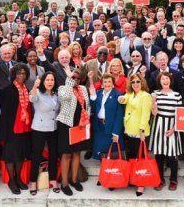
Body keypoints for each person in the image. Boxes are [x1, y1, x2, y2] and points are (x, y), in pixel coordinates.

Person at [0, 64, 32, 195]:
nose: (21, 75)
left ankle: (18, 178)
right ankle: (11, 180)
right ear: (14, 75)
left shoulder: (26, 89)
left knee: (21, 154)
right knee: (10, 156)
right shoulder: (9, 88)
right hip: (11, 128)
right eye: (19, 73)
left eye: (23, 73)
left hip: (25, 127)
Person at [56, 68, 91, 196]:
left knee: (77, 153)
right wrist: (69, 80)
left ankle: (75, 180)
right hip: (66, 125)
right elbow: (64, 97)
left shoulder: (83, 89)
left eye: (78, 78)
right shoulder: (63, 88)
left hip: (80, 125)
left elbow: (87, 105)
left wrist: (86, 120)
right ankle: (65, 183)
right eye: (73, 77)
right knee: (66, 154)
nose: (76, 80)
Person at [118, 73, 152, 196]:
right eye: (133, 82)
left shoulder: (146, 96)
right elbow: (123, 99)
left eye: (138, 81)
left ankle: (141, 184)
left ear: (142, 82)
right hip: (129, 130)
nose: (136, 84)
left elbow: (146, 114)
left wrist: (142, 130)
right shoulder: (130, 94)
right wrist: (120, 98)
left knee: (141, 159)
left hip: (140, 131)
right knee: (132, 157)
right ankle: (133, 178)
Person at [28, 72, 60, 194]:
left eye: (52, 80)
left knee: (53, 155)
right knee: (36, 156)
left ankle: (53, 180)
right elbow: (32, 98)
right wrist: (35, 86)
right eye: (47, 80)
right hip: (39, 128)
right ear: (43, 81)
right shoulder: (38, 94)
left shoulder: (56, 95)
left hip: (53, 128)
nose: (50, 82)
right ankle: (33, 182)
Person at [150, 72, 182, 191]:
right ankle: (160, 180)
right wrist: (153, 100)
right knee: (159, 155)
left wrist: (174, 129)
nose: (165, 81)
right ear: (159, 81)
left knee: (172, 156)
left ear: (170, 80)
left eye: (167, 78)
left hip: (172, 126)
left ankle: (174, 180)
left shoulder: (177, 95)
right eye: (163, 79)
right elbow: (154, 113)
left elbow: (179, 114)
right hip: (159, 126)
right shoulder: (155, 94)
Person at [89, 73, 124, 161]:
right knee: (100, 154)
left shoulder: (118, 95)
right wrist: (93, 97)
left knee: (112, 155)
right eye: (105, 82)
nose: (107, 84)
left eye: (109, 82)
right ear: (102, 84)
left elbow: (119, 116)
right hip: (99, 127)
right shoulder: (98, 93)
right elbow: (93, 110)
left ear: (113, 84)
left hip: (111, 128)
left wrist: (116, 132)